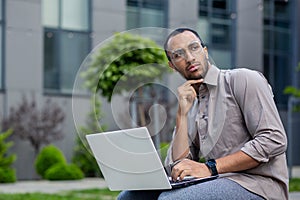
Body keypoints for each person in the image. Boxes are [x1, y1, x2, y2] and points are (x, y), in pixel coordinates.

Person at [118, 28, 288, 200]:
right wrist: (181, 114)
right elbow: (176, 166)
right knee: (129, 197)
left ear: (205, 51)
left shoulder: (242, 79)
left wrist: (210, 168)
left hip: (259, 185)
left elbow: (273, 139)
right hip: (219, 180)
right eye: (178, 55)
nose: (189, 58)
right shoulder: (191, 103)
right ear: (172, 65)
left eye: (194, 48)